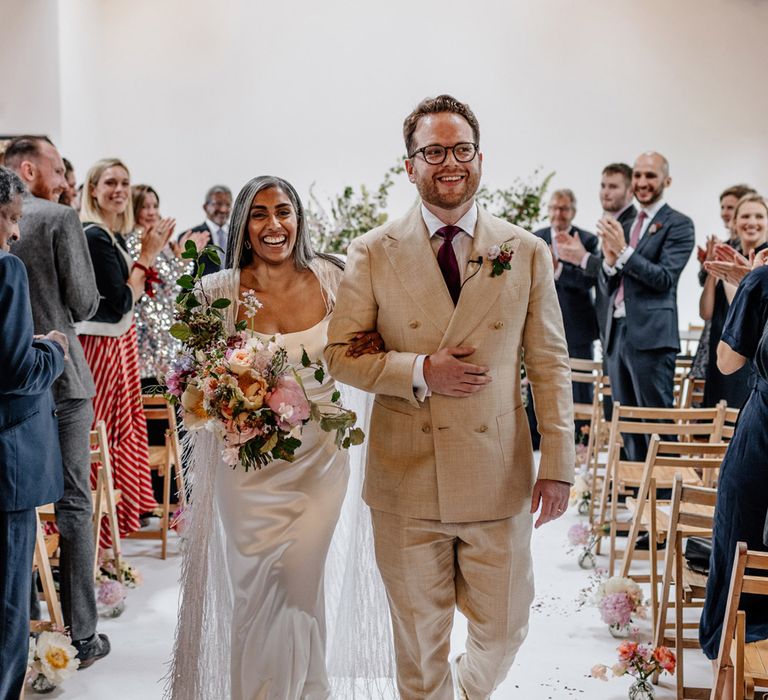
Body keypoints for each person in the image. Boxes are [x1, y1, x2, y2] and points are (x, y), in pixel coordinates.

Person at [325, 94, 575, 699]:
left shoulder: (526, 251)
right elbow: (340, 354)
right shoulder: (373, 251)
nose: (450, 162)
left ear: (480, 159)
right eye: (433, 151)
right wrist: (418, 370)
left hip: (498, 472)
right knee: (418, 641)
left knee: (507, 626)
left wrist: (559, 464)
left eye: (461, 149)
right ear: (409, 165)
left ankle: (465, 691)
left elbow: (549, 362)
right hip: (407, 475)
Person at [167, 176, 390, 699]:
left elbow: (370, 347)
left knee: (296, 581)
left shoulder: (336, 279)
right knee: (257, 591)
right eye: (260, 213)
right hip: (247, 473)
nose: (274, 225)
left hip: (320, 464)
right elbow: (193, 385)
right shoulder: (216, 292)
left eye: (284, 211)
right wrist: (232, 401)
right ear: (243, 224)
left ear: (299, 219)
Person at [5, 137, 109, 665]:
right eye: (56, 168)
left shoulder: (20, 222)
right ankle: (82, 636)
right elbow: (86, 300)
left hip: (8, 392)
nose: (65, 179)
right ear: (28, 168)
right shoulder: (57, 218)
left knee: (14, 508)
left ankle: (19, 629)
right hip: (61, 381)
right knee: (73, 502)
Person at [76, 158, 172, 544]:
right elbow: (119, 301)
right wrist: (146, 256)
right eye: (110, 182)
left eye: (124, 182)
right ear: (93, 188)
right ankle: (98, 534)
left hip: (118, 343)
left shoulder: (108, 235)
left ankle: (111, 530)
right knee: (103, 434)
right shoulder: (95, 236)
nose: (118, 189)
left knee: (117, 432)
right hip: (103, 344)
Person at [0, 166, 67, 700]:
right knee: (6, 609)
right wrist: (52, 350)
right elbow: (18, 374)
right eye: (10, 217)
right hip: (5, 465)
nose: (16, 232)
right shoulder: (5, 273)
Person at [699, 249, 768, 700]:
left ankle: (733, 671)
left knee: (741, 545)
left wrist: (747, 288)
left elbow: (727, 361)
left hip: (764, 439)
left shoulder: (761, 283)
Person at [598, 151, 695, 460]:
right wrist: (610, 264)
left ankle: (665, 498)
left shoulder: (679, 224)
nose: (642, 182)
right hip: (618, 334)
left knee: (655, 423)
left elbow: (665, 278)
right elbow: (611, 279)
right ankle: (638, 495)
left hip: (652, 338)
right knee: (626, 424)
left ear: (666, 180)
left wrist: (623, 252)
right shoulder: (625, 222)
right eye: (638, 175)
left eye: (650, 176)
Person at [527, 188, 598, 448]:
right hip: (543, 324)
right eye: (555, 208)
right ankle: (538, 440)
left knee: (579, 386)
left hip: (578, 327)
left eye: (564, 208)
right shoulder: (535, 239)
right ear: (549, 210)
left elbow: (591, 279)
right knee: (542, 380)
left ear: (573, 212)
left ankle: (580, 441)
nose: (559, 213)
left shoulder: (587, 240)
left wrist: (558, 270)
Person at [555, 163, 636, 347]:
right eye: (603, 185)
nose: (605, 192)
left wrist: (583, 258)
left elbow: (622, 273)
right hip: (607, 325)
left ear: (630, 191)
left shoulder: (631, 225)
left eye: (613, 186)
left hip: (625, 326)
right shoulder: (611, 221)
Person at [699, 193, 767, 408]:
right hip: (723, 344)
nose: (752, 222)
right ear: (734, 222)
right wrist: (712, 267)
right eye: (746, 216)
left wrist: (751, 281)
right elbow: (706, 312)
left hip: (755, 352)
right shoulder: (724, 253)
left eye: (759, 216)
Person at [691, 184, 756, 382]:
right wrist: (710, 265)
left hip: (739, 334)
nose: (725, 213)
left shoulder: (754, 249)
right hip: (717, 328)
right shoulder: (724, 246)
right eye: (723, 207)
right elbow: (706, 310)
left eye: (731, 208)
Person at [181, 184, 233, 275]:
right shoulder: (191, 236)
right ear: (205, 207)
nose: (223, 209)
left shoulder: (240, 234)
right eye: (218, 204)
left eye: (227, 204)